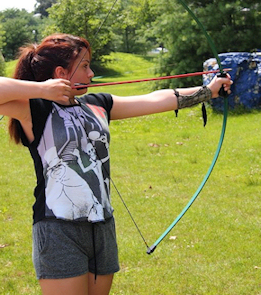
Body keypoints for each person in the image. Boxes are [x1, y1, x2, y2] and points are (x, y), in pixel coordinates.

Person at [0, 33, 232, 295]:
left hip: (102, 225)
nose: (91, 74)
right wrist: (42, 89)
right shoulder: (34, 109)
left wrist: (208, 91)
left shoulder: (98, 105)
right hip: (58, 227)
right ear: (61, 72)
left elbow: (156, 99)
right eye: (85, 66)